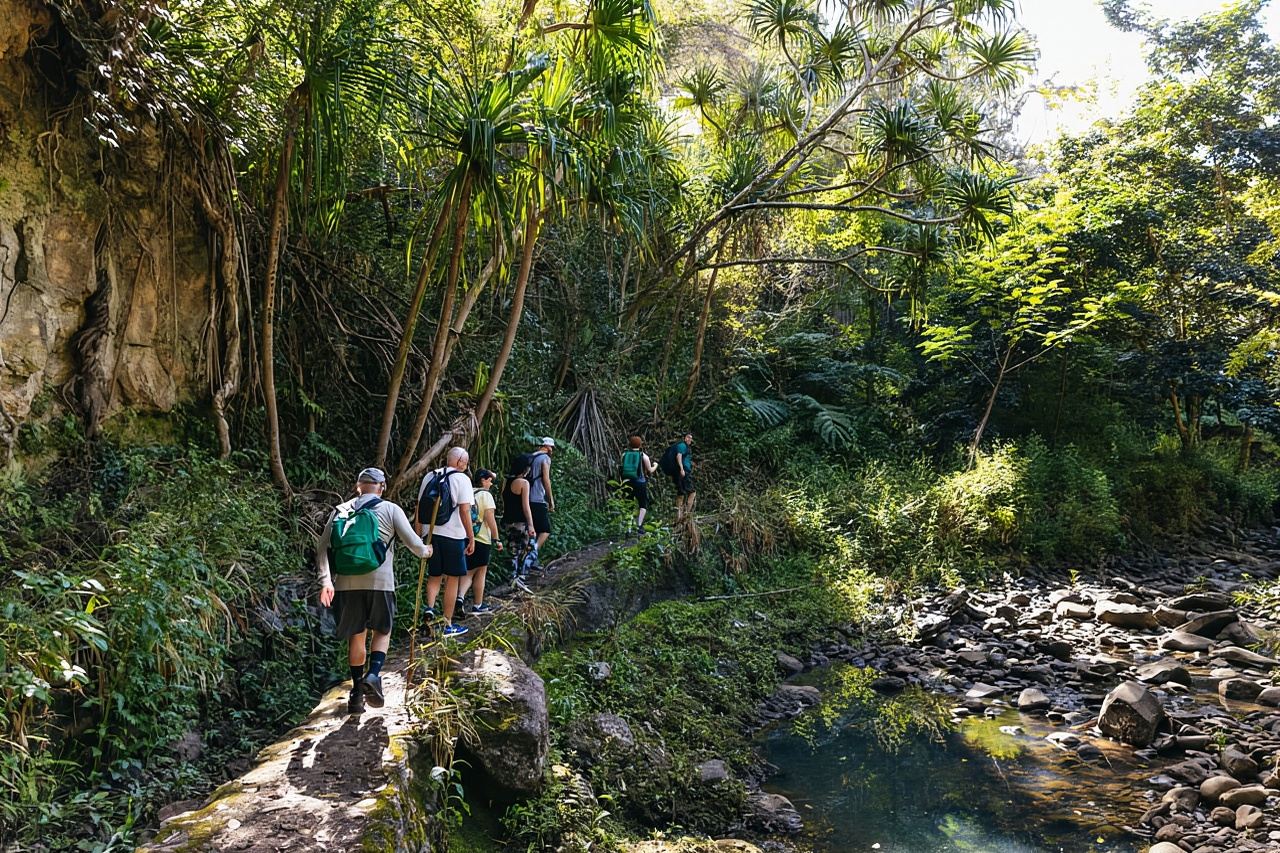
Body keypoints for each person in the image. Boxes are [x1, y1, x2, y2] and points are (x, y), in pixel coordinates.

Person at [317, 467, 431, 714]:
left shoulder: (340, 511)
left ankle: (356, 695)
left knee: (356, 636)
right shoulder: (390, 509)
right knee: (382, 630)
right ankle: (374, 674)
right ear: (381, 487)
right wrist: (426, 551)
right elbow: (414, 544)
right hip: (380, 582)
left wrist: (326, 581)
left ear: (358, 486)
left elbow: (322, 548)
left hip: (346, 584)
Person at [415, 446, 475, 638]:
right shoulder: (462, 479)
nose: (466, 465)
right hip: (453, 535)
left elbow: (419, 507)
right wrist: (471, 537)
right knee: (452, 578)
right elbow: (465, 511)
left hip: (430, 534)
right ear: (460, 462)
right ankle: (447, 624)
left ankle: (429, 610)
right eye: (465, 462)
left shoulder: (430, 476)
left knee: (434, 576)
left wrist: (418, 536)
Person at [458, 468, 501, 614]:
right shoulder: (486, 495)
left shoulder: (468, 492)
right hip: (482, 539)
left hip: (465, 537)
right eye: (489, 480)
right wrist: (496, 538)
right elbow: (490, 519)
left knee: (468, 572)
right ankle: (478, 604)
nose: (491, 483)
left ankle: (459, 598)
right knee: (481, 572)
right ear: (483, 480)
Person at [502, 454, 537, 588]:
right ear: (525, 469)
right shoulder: (524, 483)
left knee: (512, 550)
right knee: (528, 548)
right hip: (520, 522)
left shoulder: (506, 482)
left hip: (508, 520)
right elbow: (526, 506)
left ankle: (512, 578)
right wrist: (531, 525)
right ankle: (520, 577)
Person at [619, 435, 657, 533]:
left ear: (630, 444)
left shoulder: (624, 455)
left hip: (627, 482)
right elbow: (650, 470)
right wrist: (655, 466)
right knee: (642, 504)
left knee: (628, 504)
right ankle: (639, 526)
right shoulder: (643, 456)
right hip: (640, 483)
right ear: (640, 445)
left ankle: (628, 527)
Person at [527, 437, 556, 562]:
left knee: (531, 529)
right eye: (552, 448)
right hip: (537, 498)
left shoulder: (531, 457)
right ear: (548, 447)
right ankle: (532, 554)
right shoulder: (545, 458)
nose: (552, 450)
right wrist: (550, 500)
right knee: (545, 530)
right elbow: (546, 480)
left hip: (526, 497)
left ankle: (528, 559)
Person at [670, 432, 695, 518]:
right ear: (684, 438)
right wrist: (681, 469)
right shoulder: (682, 446)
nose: (689, 439)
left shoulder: (684, 447)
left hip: (680, 472)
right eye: (688, 437)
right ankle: (687, 514)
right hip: (683, 472)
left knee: (681, 493)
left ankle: (679, 516)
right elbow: (679, 456)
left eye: (691, 438)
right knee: (692, 492)